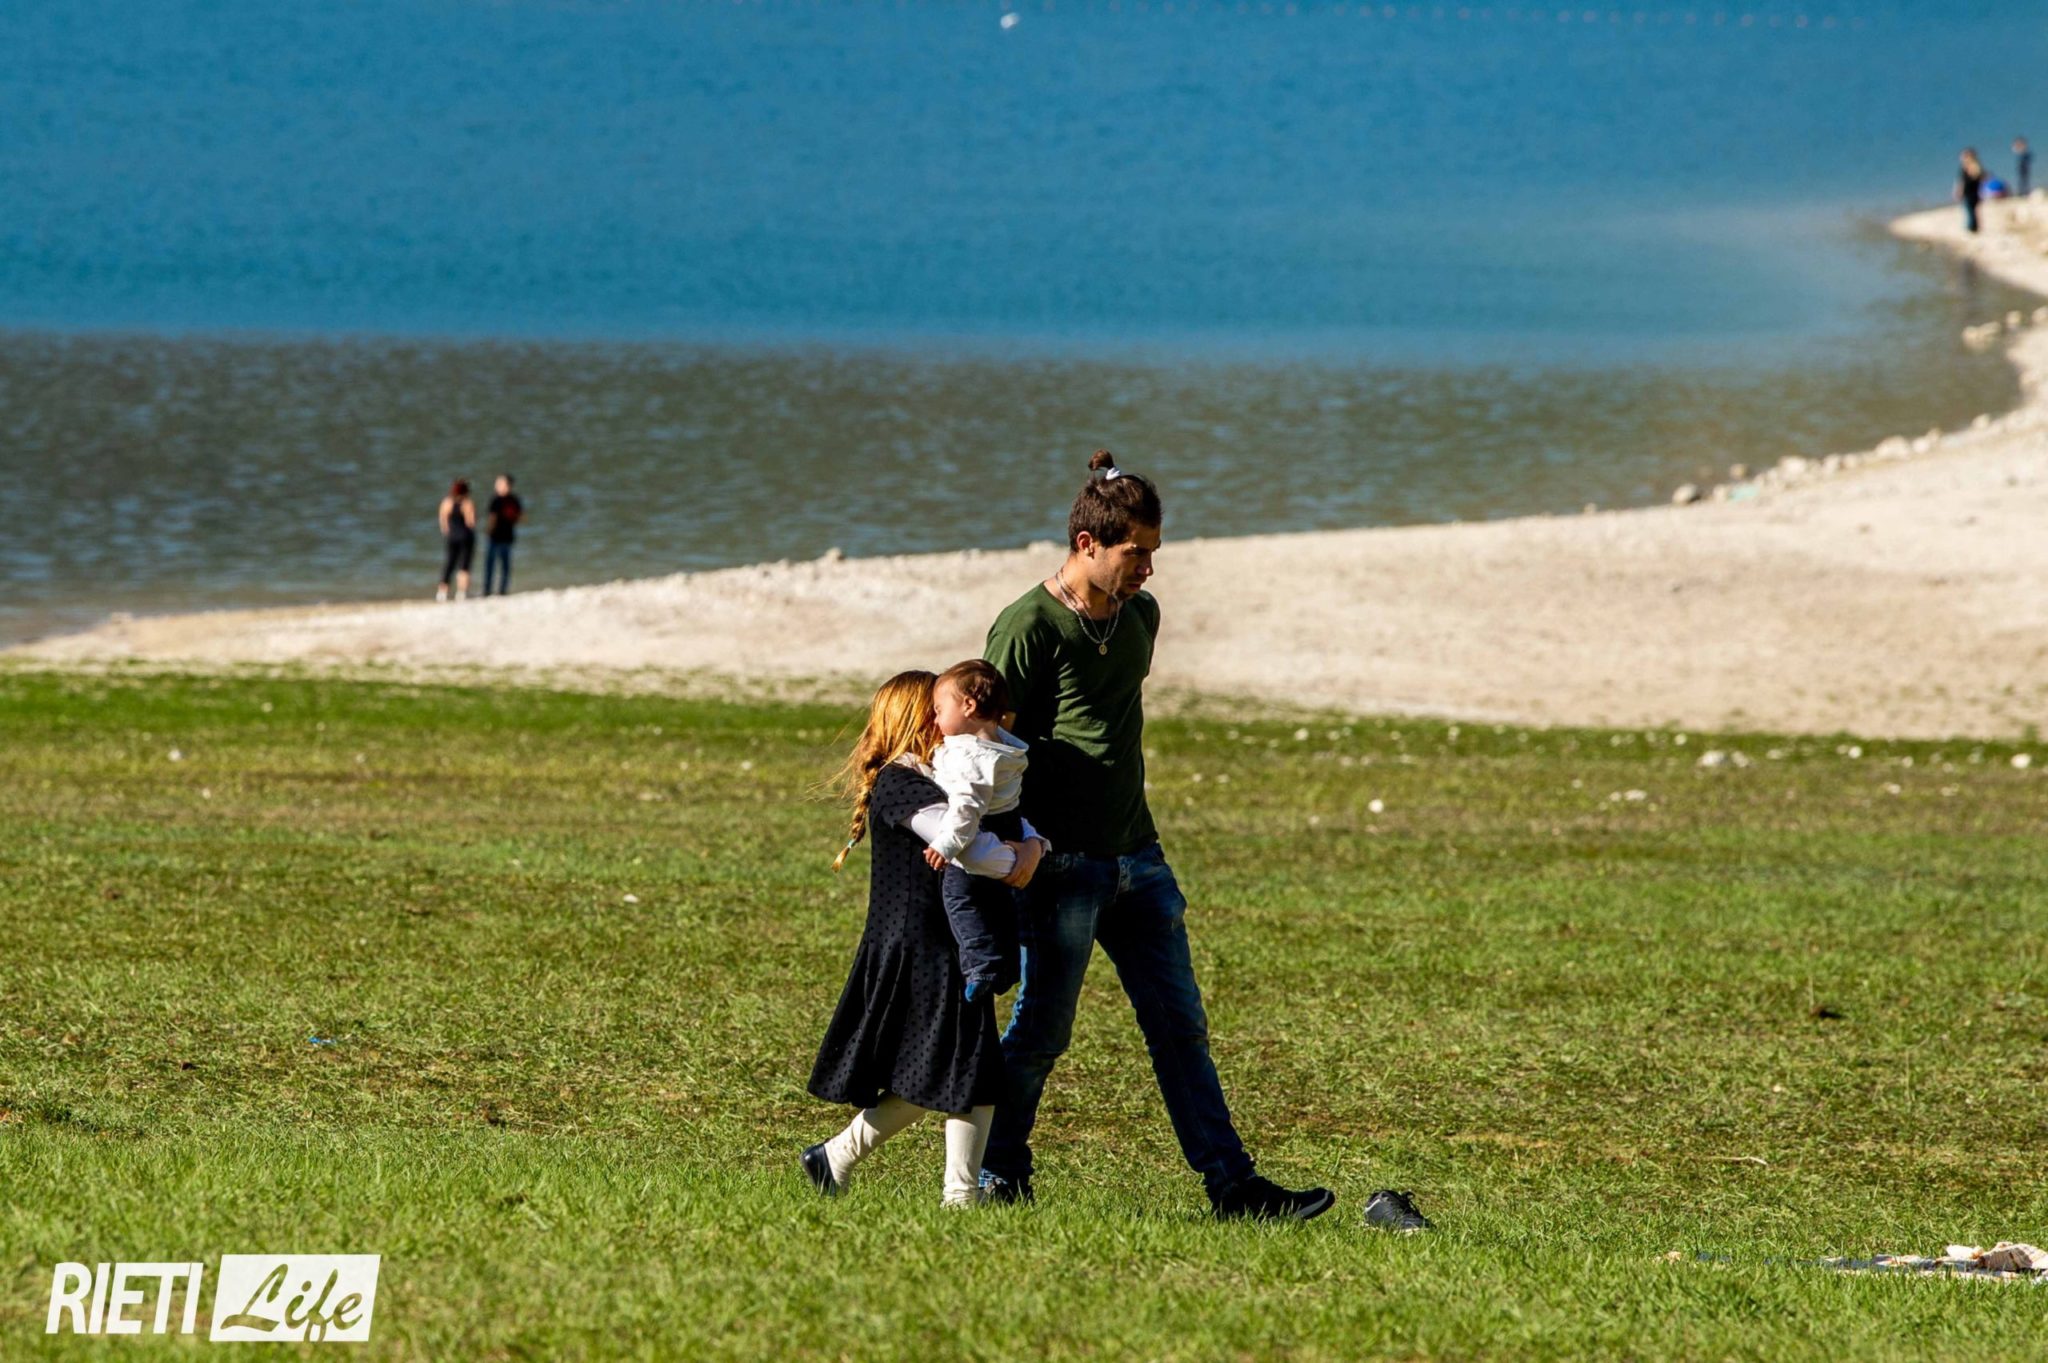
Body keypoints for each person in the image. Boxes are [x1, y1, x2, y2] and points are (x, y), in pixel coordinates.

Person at [977, 450, 1431, 1230]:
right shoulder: (1027, 626)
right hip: (1062, 867)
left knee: (1180, 1027)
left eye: (1154, 552)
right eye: (1135, 553)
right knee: (1042, 1032)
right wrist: (1006, 855)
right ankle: (995, 1175)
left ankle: (1233, 1187)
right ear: (1087, 543)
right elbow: (985, 750)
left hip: (1139, 859)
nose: (1149, 569)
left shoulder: (1140, 618)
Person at [803, 671, 1050, 1207]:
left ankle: (846, 1161)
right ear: (917, 717)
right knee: (956, 1066)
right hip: (919, 946)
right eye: (934, 709)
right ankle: (936, 1189)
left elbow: (1002, 813)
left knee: (964, 1066)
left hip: (950, 943)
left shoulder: (946, 771)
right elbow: (969, 848)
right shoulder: (902, 783)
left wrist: (1032, 843)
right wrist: (1021, 862)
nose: (944, 719)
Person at [921, 659, 1029, 1001]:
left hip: (982, 826)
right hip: (1010, 824)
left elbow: (966, 807)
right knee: (999, 900)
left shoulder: (973, 757)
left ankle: (982, 964)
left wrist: (946, 845)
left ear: (968, 706)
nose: (935, 720)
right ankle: (1007, 965)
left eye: (939, 710)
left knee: (960, 895)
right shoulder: (1002, 747)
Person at [436, 479, 476, 602]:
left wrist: (449, 532)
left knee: (449, 564)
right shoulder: (467, 503)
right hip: (466, 537)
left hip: (452, 537)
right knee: (464, 565)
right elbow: (471, 522)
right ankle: (461, 593)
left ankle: (442, 593)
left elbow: (443, 523)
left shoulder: (446, 503)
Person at [483, 474, 523, 597]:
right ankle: (498, 590)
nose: (497, 486)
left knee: (496, 564)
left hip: (499, 537)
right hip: (503, 536)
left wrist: (488, 530)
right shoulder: (513, 500)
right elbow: (520, 517)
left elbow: (492, 518)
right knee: (499, 565)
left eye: (499, 483)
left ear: (507, 485)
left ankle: (493, 590)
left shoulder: (497, 500)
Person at [1957, 148, 1986, 235]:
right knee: (1970, 210)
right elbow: (1961, 182)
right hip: (1970, 192)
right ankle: (1972, 227)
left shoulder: (1973, 166)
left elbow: (1978, 177)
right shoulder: (1966, 167)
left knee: (1971, 210)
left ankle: (1972, 228)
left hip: (1972, 192)